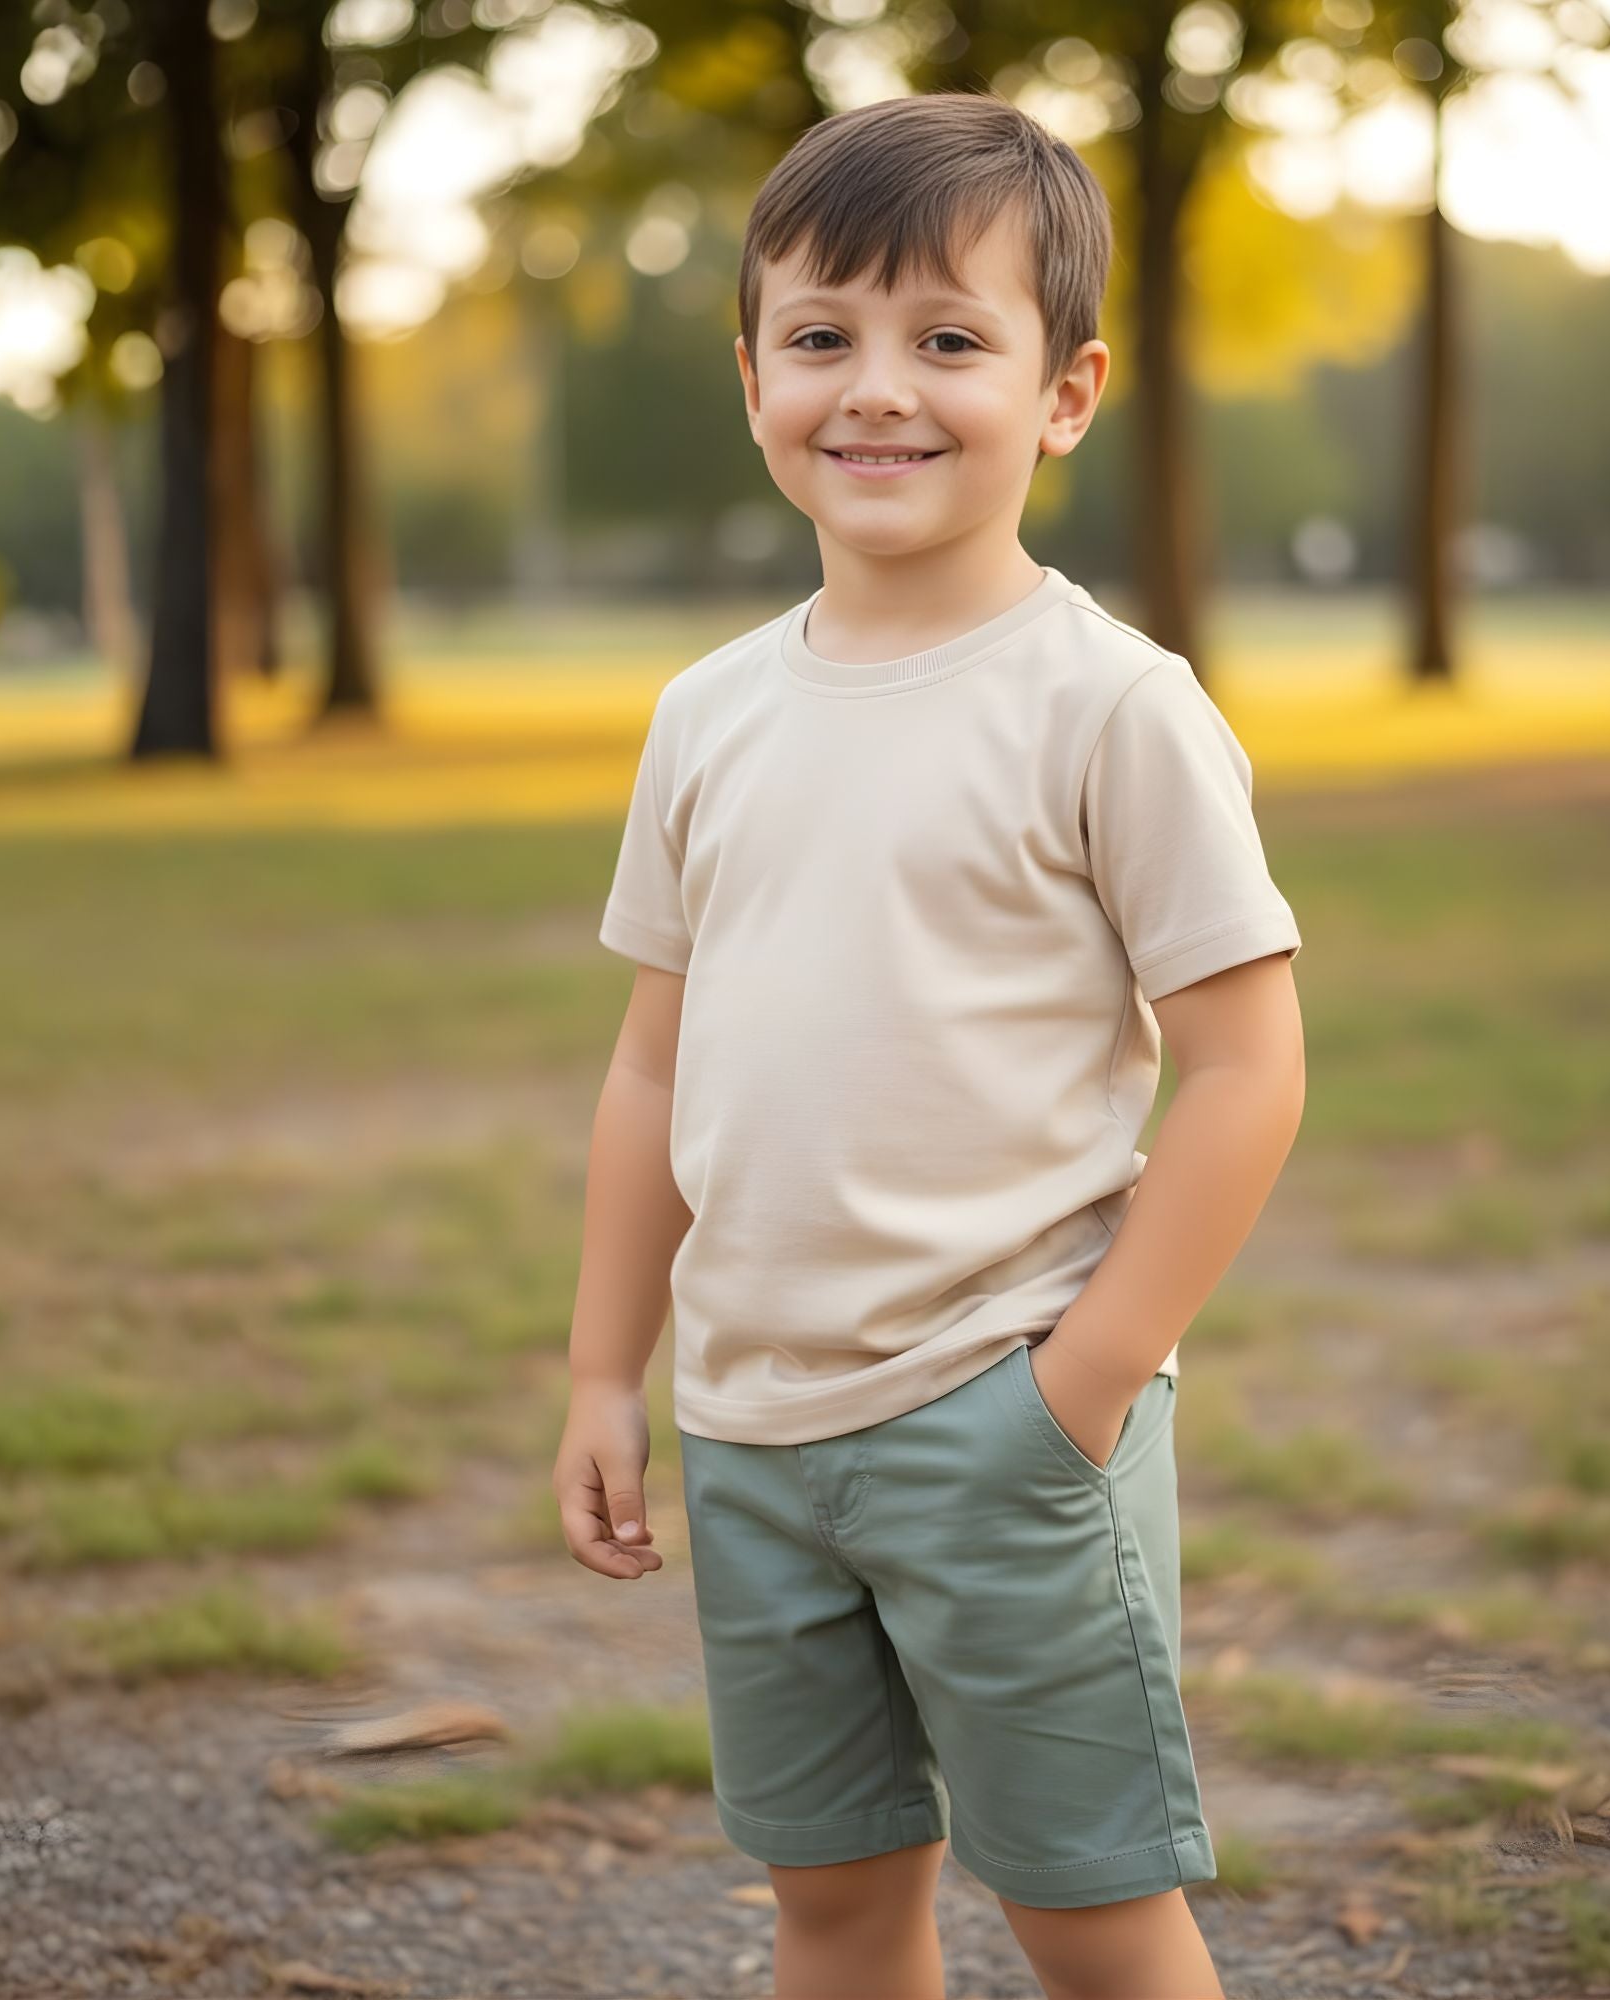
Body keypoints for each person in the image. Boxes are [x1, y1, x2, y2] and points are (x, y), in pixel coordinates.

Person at [555, 88, 1305, 2000]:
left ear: (1066, 393)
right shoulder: (706, 717)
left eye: (950, 340)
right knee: (833, 1902)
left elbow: (1246, 1065)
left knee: (1087, 1912)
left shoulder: (1112, 707)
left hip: (1003, 1411)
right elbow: (652, 1068)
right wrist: (605, 1371)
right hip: (750, 1431)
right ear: (753, 379)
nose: (876, 388)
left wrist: (1084, 1384)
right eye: (822, 336)